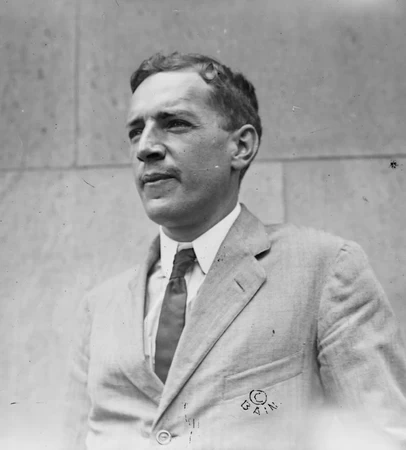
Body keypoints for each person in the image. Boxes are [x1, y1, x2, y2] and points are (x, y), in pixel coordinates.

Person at [64, 52, 406, 450]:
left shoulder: (324, 269)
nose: (145, 148)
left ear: (241, 146)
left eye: (174, 123)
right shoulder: (99, 309)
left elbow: (382, 438)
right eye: (135, 131)